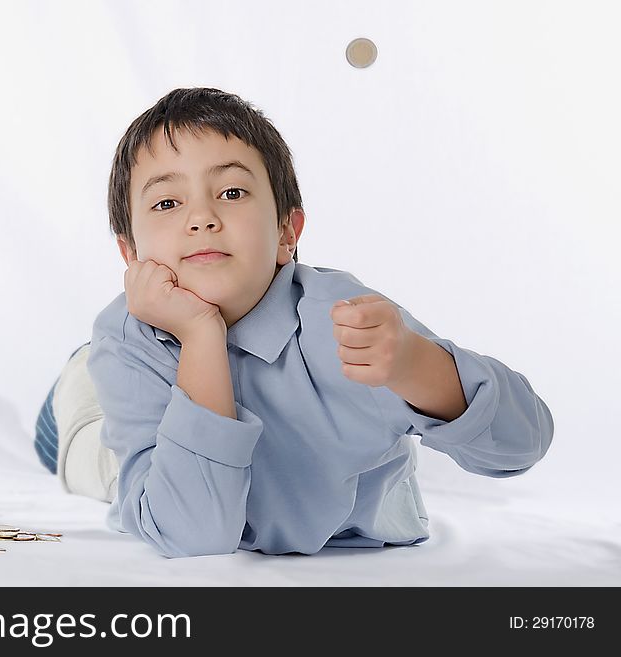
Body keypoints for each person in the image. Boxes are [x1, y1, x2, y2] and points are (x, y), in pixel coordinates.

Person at [35, 87, 554, 559]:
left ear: (287, 231)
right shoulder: (131, 336)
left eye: (232, 193)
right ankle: (81, 378)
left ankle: (87, 371)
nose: (201, 218)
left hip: (329, 514)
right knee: (88, 456)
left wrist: (417, 367)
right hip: (153, 453)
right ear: (131, 255)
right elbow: (192, 534)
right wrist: (198, 335)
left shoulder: (344, 322)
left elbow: (522, 444)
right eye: (168, 202)